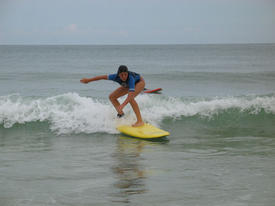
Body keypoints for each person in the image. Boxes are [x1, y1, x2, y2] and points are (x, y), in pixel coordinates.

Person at [80, 65, 145, 127]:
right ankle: (121, 114)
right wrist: (88, 80)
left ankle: (140, 121)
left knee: (131, 99)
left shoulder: (130, 78)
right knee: (112, 97)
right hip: (127, 85)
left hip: (139, 82)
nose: (124, 76)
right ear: (118, 75)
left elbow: (130, 96)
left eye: (125, 74)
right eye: (122, 75)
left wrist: (122, 105)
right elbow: (101, 77)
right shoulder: (114, 76)